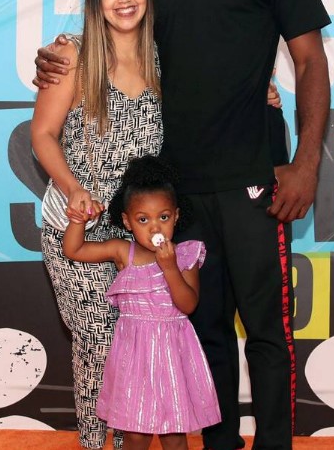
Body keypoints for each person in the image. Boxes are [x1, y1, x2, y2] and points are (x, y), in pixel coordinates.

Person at [33, 0, 331, 450]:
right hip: (178, 193)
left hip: (254, 177)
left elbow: (307, 63)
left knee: (269, 332)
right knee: (206, 327)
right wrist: (57, 57)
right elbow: (123, 43)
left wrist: (304, 164)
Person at [30, 0, 163, 449]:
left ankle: (106, 442)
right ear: (95, 0)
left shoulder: (164, 59)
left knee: (107, 351)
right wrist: (74, 190)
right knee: (100, 341)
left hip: (138, 237)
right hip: (74, 229)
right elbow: (42, 134)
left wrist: (262, 93)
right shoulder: (73, 55)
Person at [62, 154, 221, 450]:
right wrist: (77, 221)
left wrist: (170, 268)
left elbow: (188, 305)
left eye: (163, 217)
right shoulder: (123, 252)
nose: (155, 228)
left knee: (174, 434)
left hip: (174, 354)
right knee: (136, 433)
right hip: (135, 356)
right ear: (127, 221)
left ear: (175, 216)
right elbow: (75, 250)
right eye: (143, 219)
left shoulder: (186, 255)